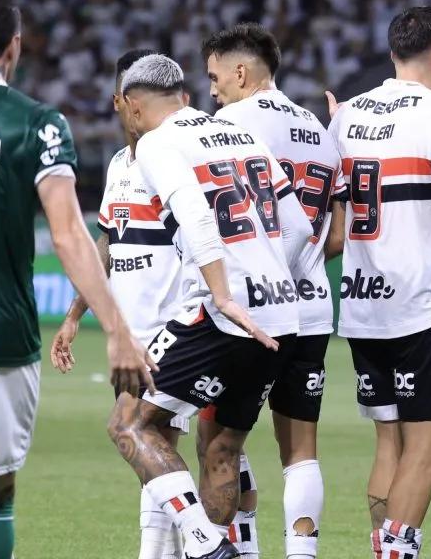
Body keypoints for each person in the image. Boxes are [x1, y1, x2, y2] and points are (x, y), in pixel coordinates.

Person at [0, 0, 155, 558]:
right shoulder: (37, 124)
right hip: (2, 338)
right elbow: (67, 233)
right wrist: (116, 329)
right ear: (14, 47)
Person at [107, 53, 312, 559]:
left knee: (130, 422)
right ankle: (214, 546)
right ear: (186, 97)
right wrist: (264, 278)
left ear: (133, 106)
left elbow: (197, 219)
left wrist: (224, 292)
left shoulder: (157, 143)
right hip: (280, 313)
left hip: (224, 312)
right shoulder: (240, 134)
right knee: (223, 448)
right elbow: (301, 226)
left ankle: (203, 543)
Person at [328, 5, 431, 558]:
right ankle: (396, 553)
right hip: (419, 303)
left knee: (388, 443)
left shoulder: (347, 114)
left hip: (361, 304)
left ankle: (382, 547)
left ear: (394, 52)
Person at [201, 22, 346, 559]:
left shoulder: (231, 123)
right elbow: (335, 236)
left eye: (215, 77)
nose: (211, 89)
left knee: (219, 440)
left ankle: (236, 550)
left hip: (249, 309)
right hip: (311, 307)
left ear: (241, 72)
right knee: (301, 450)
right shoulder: (317, 129)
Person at [48, 48, 189, 559]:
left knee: (150, 437)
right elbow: (106, 249)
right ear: (119, 101)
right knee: (153, 448)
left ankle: (194, 545)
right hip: (129, 336)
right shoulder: (118, 166)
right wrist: (72, 316)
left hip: (176, 330)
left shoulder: (175, 158)